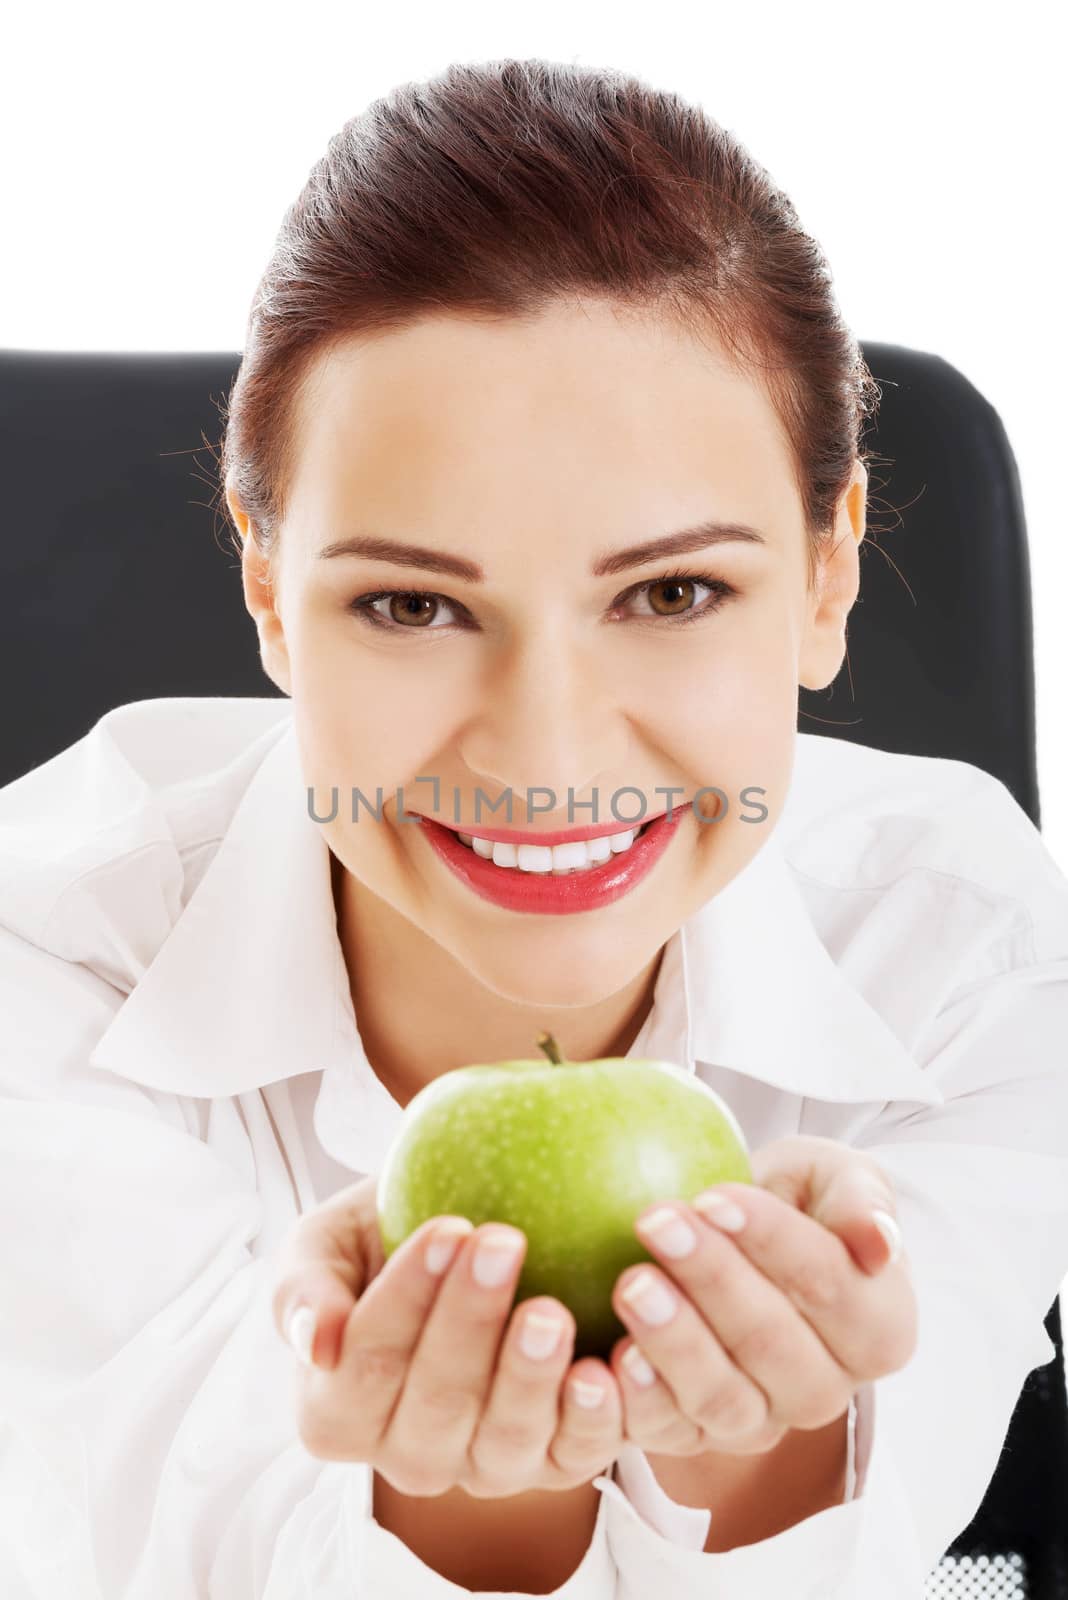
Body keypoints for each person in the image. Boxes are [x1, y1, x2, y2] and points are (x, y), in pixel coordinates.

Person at [2, 56, 1067, 1600]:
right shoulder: (36, 960)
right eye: (412, 604)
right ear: (263, 588)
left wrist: (760, 1454)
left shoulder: (962, 947)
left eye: (672, 594)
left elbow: (902, 1547)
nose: (546, 755)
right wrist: (465, 1505)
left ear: (830, 574)